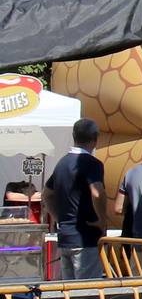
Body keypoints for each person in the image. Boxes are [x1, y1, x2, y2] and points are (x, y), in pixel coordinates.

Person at [44, 118, 105, 280]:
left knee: (68, 293)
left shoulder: (61, 164)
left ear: (74, 136)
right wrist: (102, 220)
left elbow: (47, 194)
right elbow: (97, 192)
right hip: (85, 238)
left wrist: (59, 218)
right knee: (88, 292)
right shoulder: (92, 163)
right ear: (95, 139)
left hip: (65, 237)